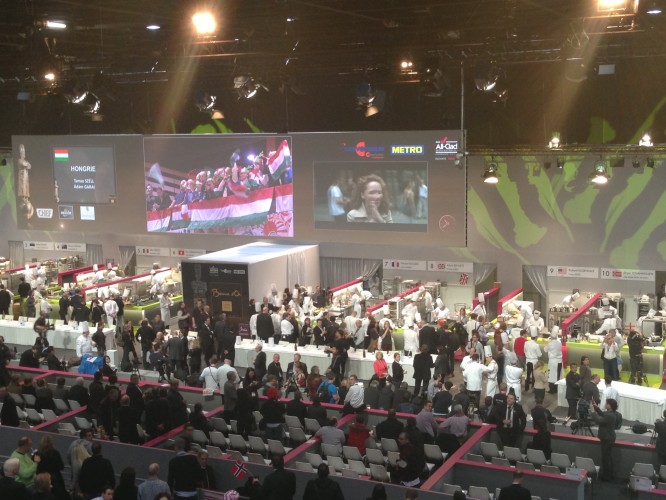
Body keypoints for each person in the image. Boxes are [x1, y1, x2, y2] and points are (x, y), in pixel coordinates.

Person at [590, 398, 619, 481]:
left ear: (611, 406)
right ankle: (608, 475)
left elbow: (598, 420)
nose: (605, 404)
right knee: (606, 457)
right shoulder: (610, 413)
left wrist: (592, 411)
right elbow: (603, 414)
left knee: (606, 458)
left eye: (607, 403)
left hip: (607, 439)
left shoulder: (610, 415)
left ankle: (607, 477)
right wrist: (596, 408)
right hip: (607, 438)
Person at [36, 435, 68, 500]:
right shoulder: (55, 453)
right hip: (55, 478)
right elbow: (61, 466)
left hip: (41, 479)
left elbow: (35, 466)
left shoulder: (37, 454)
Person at [544, 327, 562, 393]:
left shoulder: (550, 343)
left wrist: (546, 343)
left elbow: (545, 350)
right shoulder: (559, 343)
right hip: (559, 361)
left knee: (551, 376)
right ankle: (557, 389)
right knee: (558, 375)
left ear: (551, 336)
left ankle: (552, 390)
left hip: (553, 362)